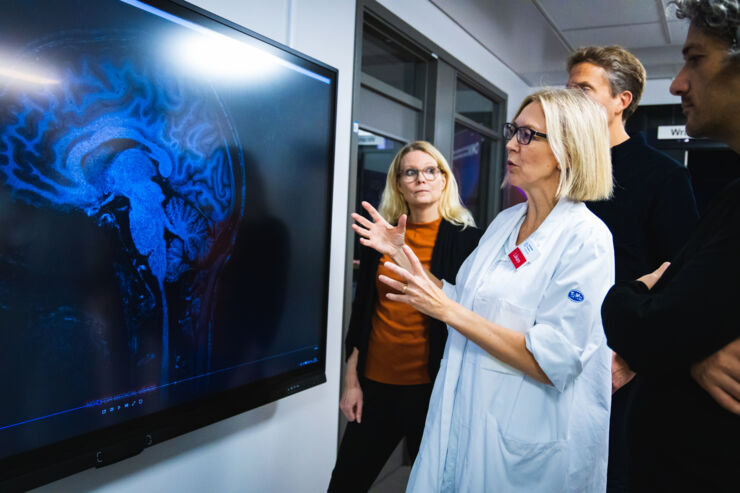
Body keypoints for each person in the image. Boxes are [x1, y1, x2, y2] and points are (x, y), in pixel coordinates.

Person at [376, 88, 614, 492]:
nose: (510, 144)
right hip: (467, 421)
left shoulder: (586, 239)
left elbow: (551, 361)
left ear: (567, 152)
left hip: (528, 447)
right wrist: (405, 259)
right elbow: (461, 299)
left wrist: (450, 312)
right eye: (512, 131)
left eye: (527, 135)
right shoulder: (506, 221)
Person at [601, 1, 740, 491]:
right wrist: (685, 346)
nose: (678, 82)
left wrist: (631, 302)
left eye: (696, 59)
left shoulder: (664, 177)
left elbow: (666, 310)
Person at [566, 45, 699, 492]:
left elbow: (680, 275)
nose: (571, 99)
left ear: (621, 100)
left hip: (618, 366)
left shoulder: (662, 177)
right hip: (556, 350)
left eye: (583, 89)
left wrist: (634, 358)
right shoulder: (564, 174)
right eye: (569, 89)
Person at [327, 141, 481, 493]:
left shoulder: (468, 241)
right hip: (377, 384)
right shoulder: (379, 236)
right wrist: (352, 380)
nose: (421, 179)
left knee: (435, 486)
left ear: (444, 180)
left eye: (430, 171)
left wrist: (399, 254)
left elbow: (461, 309)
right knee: (344, 484)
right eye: (410, 172)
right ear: (398, 183)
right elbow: (363, 310)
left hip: (432, 389)